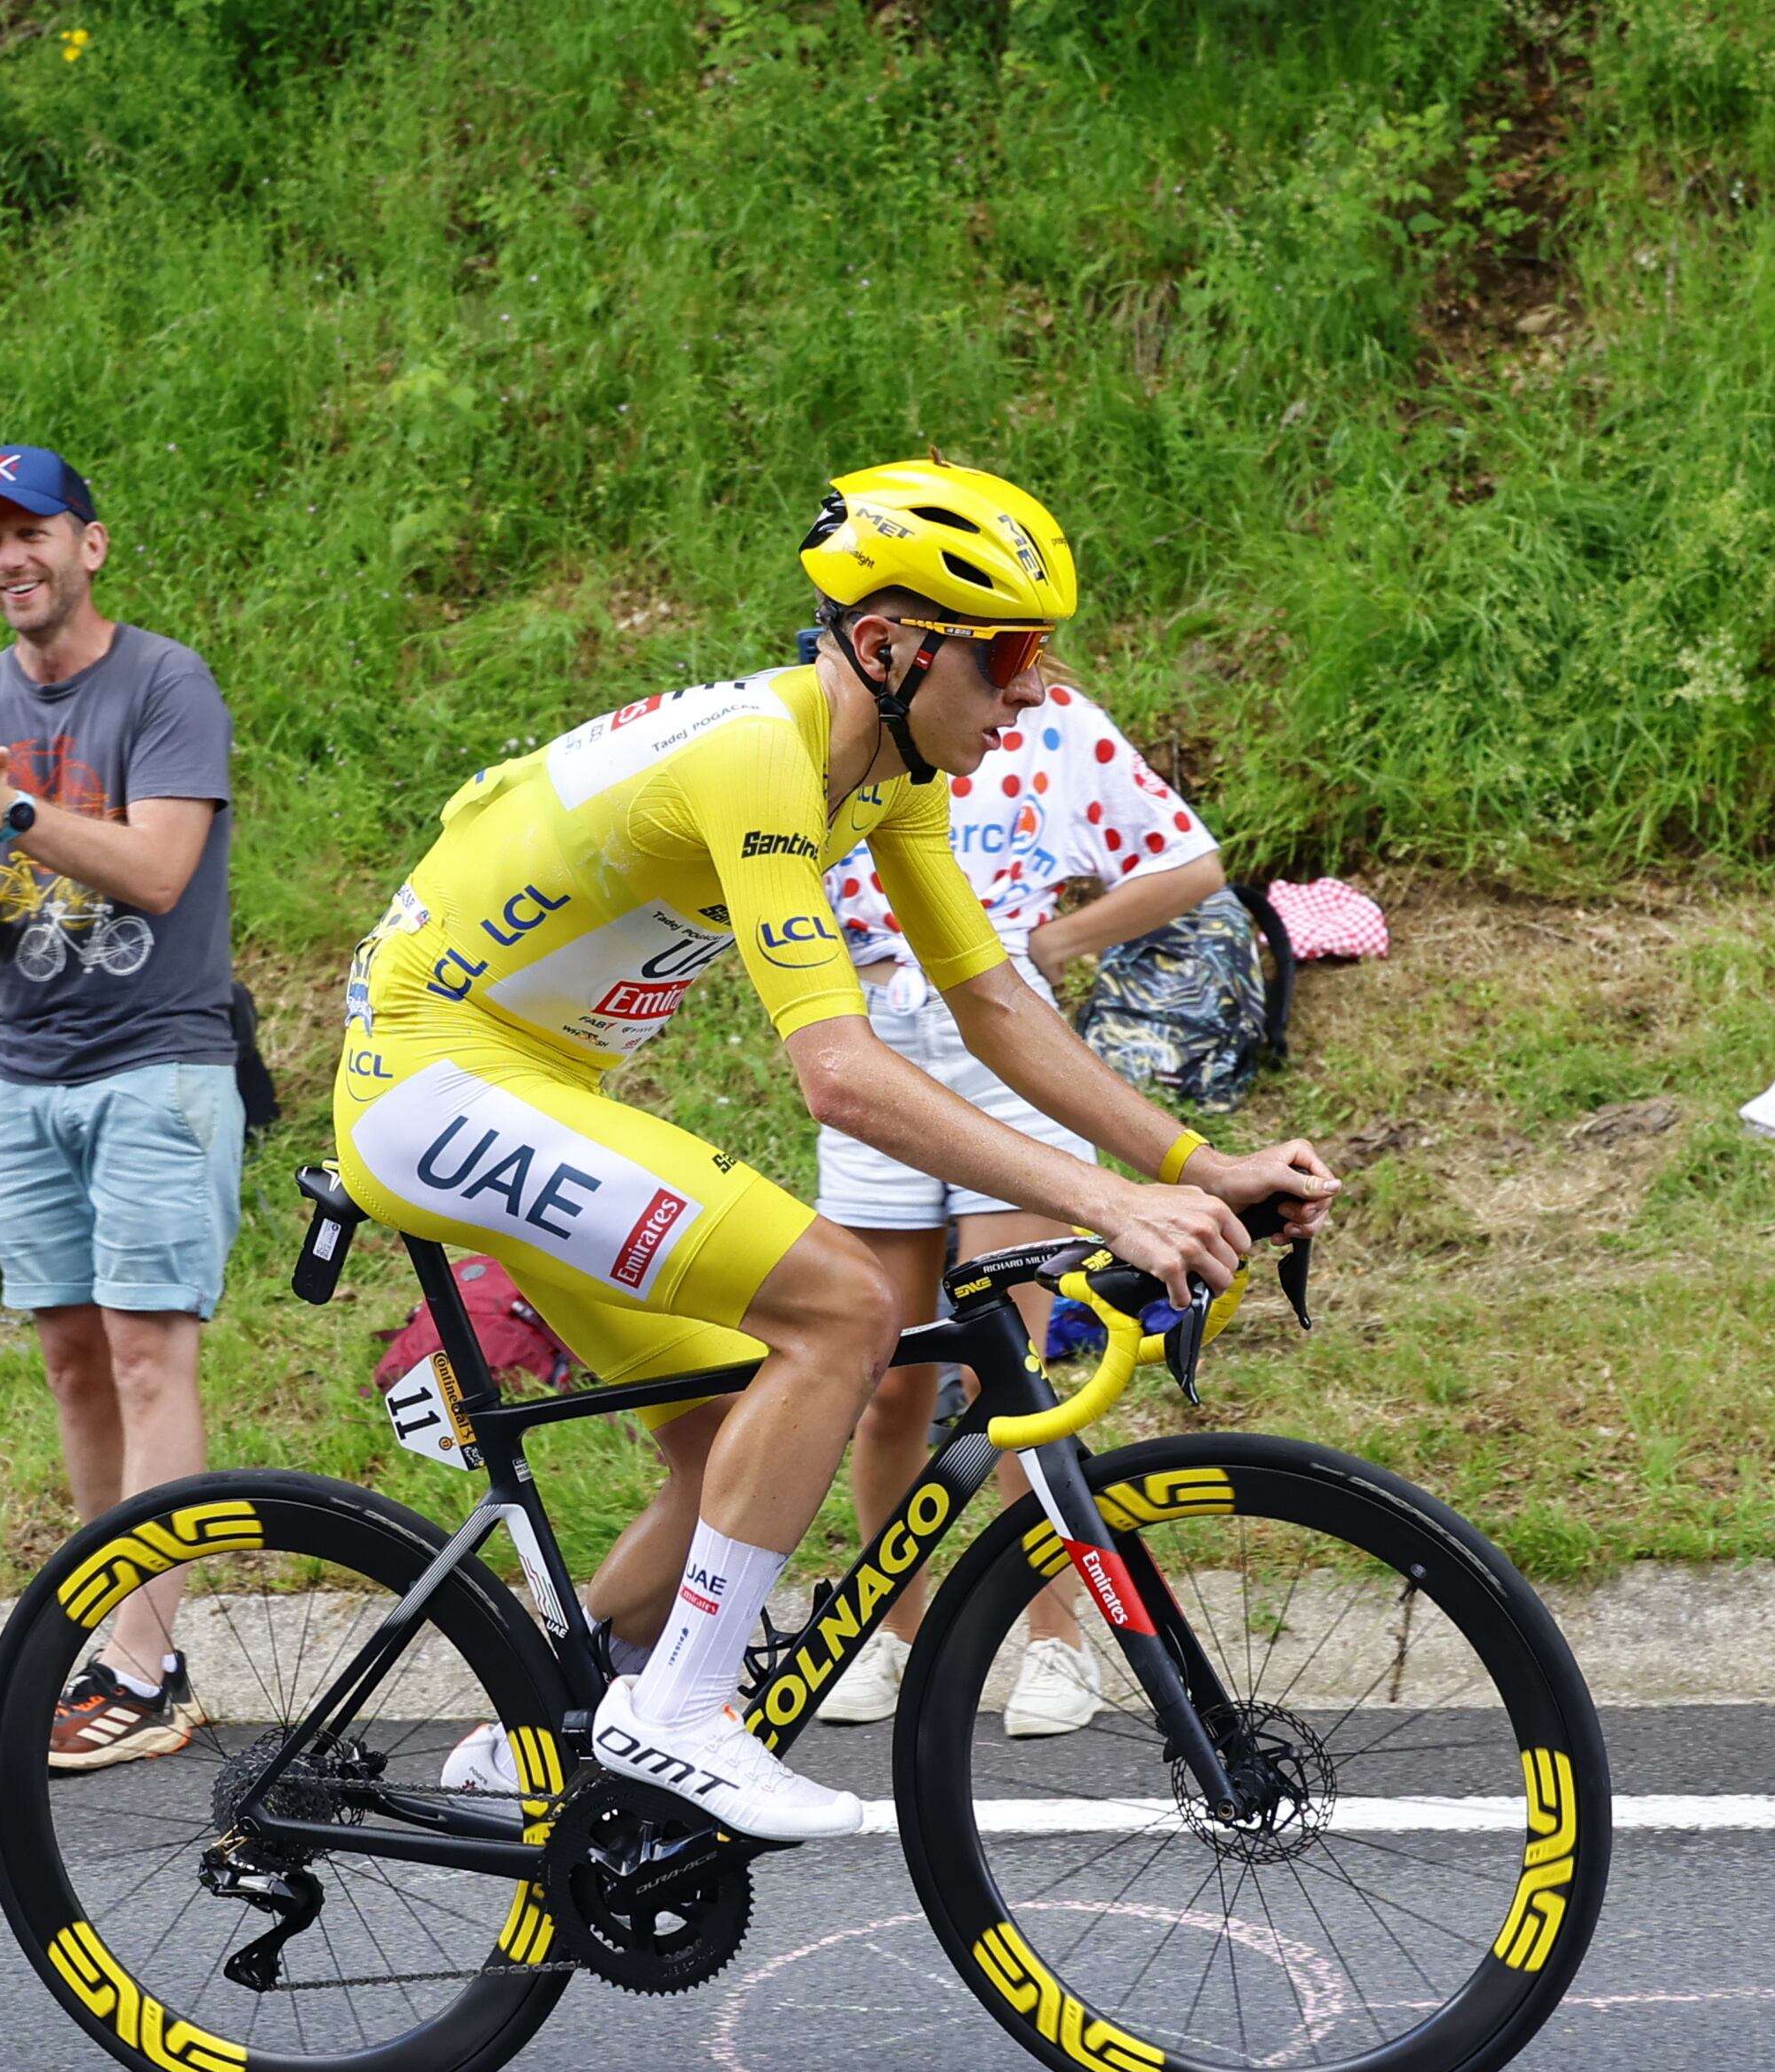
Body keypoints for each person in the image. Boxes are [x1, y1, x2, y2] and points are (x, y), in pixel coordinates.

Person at [331, 459, 1336, 1841]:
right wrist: (1101, 1196)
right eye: (1008, 657)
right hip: (433, 1073)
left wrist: (1188, 1166)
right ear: (886, 645)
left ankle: (543, 1743)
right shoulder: (759, 754)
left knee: (739, 1429)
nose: (1034, 692)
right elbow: (842, 1073)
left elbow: (993, 1005)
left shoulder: (886, 773)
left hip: (532, 1074)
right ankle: (677, 1711)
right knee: (846, 1305)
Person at [809, 679, 1235, 1738]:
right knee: (884, 1379)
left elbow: (1191, 861)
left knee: (1011, 1378)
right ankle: (893, 1634)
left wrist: (1051, 947)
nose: (1015, 665)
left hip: (1006, 1043)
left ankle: (1057, 1642)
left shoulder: (1050, 719)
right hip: (874, 1043)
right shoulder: (830, 728)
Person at [0, 443, 241, 1772]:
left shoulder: (164, 683)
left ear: (88, 545)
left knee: (152, 1352)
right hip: (22, 1071)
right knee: (69, 1357)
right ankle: (118, 1640)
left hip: (157, 1060)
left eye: (29, 532)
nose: (8, 560)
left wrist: (17, 804)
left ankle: (148, 1670)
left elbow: (161, 872)